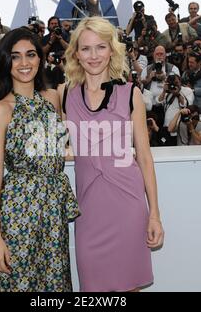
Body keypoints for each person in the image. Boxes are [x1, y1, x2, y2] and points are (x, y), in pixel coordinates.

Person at [62, 16, 164, 292]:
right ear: (76, 54)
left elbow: (144, 157)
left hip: (128, 205)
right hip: (88, 210)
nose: (93, 56)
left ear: (112, 50)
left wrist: (154, 214)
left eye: (100, 47)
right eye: (85, 48)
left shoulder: (131, 94)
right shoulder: (64, 95)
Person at [0, 28, 79, 292]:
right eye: (15, 57)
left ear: (40, 58)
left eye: (30, 55)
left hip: (52, 212)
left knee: (54, 287)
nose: (24, 63)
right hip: (17, 212)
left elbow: (54, 150)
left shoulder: (52, 99)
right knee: (17, 284)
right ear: (7, 62)